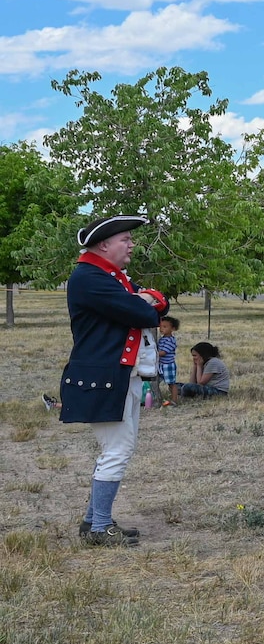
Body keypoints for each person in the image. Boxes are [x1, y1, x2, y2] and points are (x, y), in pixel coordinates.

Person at [60, 216, 166, 547]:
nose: (132, 244)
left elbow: (158, 302)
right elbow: (146, 314)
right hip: (104, 377)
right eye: (125, 239)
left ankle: (95, 520)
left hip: (116, 375)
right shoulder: (91, 278)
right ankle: (98, 527)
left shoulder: (108, 277)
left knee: (116, 447)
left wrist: (148, 298)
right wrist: (145, 301)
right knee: (117, 449)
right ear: (104, 244)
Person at [156, 315, 179, 406]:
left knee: (171, 383)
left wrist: (154, 354)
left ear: (172, 328)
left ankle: (174, 400)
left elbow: (163, 352)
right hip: (161, 365)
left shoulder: (170, 340)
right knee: (157, 381)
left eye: (165, 327)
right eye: (161, 326)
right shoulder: (162, 339)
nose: (161, 329)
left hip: (168, 365)